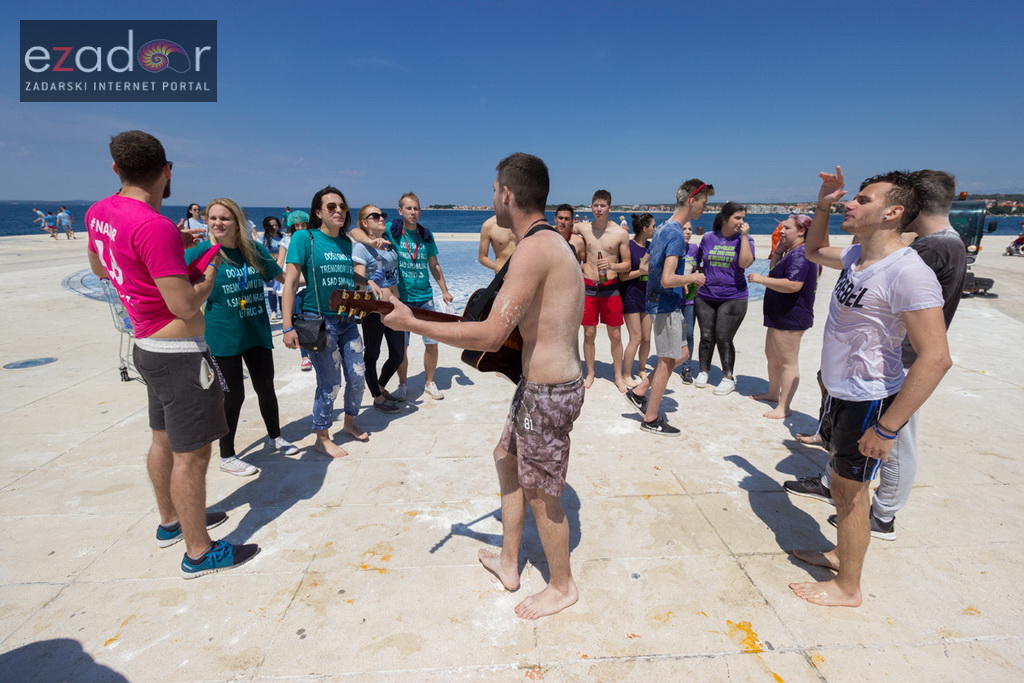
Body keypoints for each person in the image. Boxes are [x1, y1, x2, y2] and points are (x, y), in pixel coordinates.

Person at [382, 152, 585, 620]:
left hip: (549, 391)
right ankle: (510, 561)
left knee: (542, 492)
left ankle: (562, 584)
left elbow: (492, 334)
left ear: (507, 194)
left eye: (494, 189)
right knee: (504, 457)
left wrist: (414, 323)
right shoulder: (548, 241)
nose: (491, 197)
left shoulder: (535, 248)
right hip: (539, 386)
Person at [86, 130, 258, 578]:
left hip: (146, 345)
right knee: (194, 454)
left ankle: (171, 523)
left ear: (115, 169)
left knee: (161, 439)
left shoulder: (100, 212)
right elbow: (185, 305)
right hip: (179, 352)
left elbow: (101, 266)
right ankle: (199, 552)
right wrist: (208, 274)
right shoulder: (153, 225)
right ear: (167, 171)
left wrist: (167, 252)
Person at [787, 167, 951, 608]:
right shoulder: (858, 256)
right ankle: (843, 553)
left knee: (850, 490)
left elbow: (936, 358)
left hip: (869, 399)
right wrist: (821, 203)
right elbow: (815, 248)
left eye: (862, 199)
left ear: (892, 213)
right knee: (843, 486)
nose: (850, 204)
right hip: (841, 392)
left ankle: (849, 587)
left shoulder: (907, 273)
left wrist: (888, 428)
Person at [185, 198, 299, 477]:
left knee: (266, 387)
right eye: (212, 218)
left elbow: (286, 279)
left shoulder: (253, 251)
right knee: (232, 395)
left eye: (224, 218)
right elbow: (172, 283)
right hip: (223, 336)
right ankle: (227, 455)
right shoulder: (201, 253)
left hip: (256, 331)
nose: (217, 223)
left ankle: (275, 437)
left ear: (237, 223)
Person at [282, 187, 369, 458]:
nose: (339, 211)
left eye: (342, 206)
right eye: (331, 207)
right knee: (330, 382)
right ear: (318, 212)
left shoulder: (346, 243)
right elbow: (291, 282)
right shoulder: (303, 238)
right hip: (317, 321)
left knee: (357, 377)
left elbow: (348, 279)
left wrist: (369, 284)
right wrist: (287, 326)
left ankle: (350, 423)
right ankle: (321, 435)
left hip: (347, 321)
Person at [624, 181, 712, 434]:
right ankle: (650, 418)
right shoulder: (674, 233)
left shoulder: (663, 227)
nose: (705, 209)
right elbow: (667, 278)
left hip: (660, 302)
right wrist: (691, 279)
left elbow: (645, 266)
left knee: (681, 354)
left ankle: (639, 392)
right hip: (666, 305)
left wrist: (672, 281)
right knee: (667, 361)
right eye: (704, 203)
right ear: (691, 200)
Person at [748, 214, 817, 419]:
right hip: (779, 314)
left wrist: (762, 280)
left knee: (788, 362)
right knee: (772, 355)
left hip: (791, 316)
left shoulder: (801, 254)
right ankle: (772, 392)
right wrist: (778, 251)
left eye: (786, 228)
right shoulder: (791, 252)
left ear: (801, 231)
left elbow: (793, 285)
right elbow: (776, 271)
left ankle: (784, 406)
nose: (782, 232)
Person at [387, 192, 454, 401]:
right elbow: (360, 231)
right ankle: (403, 384)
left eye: (416, 208)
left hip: (425, 297)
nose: (413, 212)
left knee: (431, 342)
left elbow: (434, 264)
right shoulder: (392, 231)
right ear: (400, 211)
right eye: (408, 208)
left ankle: (430, 382)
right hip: (401, 299)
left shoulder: (426, 235)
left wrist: (444, 290)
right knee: (401, 347)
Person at [693, 202, 755, 395]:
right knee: (705, 336)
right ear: (725, 218)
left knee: (724, 337)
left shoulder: (746, 239)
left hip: (733, 296)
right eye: (737, 218)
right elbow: (699, 261)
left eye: (743, 218)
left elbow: (745, 263)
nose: (741, 222)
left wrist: (743, 237)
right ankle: (704, 370)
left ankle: (728, 377)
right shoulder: (709, 237)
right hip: (706, 295)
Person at [576, 190, 632, 391]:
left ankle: (618, 375)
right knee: (589, 333)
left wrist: (612, 266)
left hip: (610, 289)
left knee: (615, 335)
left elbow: (627, 264)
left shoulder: (619, 233)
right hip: (589, 288)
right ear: (591, 207)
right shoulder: (583, 228)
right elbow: (560, 229)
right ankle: (590, 373)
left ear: (610, 207)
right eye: (595, 205)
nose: (598, 209)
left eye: (602, 205)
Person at [353, 204, 404, 414]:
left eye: (382, 214)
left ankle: (381, 385)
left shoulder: (389, 243)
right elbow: (359, 280)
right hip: (374, 311)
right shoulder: (361, 247)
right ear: (365, 223)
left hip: (395, 308)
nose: (381, 218)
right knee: (372, 354)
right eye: (375, 216)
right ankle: (377, 396)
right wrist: (369, 283)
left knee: (398, 354)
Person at [619, 213, 655, 387]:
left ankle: (641, 369)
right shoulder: (629, 247)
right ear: (644, 228)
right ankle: (626, 374)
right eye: (653, 226)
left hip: (648, 298)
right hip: (631, 297)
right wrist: (642, 271)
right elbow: (623, 277)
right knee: (636, 338)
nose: (655, 229)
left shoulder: (651, 247)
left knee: (647, 338)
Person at [277, 210, 313, 371]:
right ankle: (304, 356)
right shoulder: (286, 241)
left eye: (303, 224)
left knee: (314, 319)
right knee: (299, 321)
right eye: (296, 225)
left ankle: (314, 350)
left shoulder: (312, 239)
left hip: (310, 285)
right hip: (295, 286)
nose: (300, 227)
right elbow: (279, 264)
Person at [678, 221, 699, 384]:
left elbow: (697, 269)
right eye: (684, 229)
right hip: (672, 299)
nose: (687, 232)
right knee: (672, 334)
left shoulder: (694, 249)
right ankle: (669, 362)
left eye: (690, 229)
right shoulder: (671, 249)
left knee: (689, 334)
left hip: (689, 300)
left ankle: (686, 367)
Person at [261, 216, 286, 320]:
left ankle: (283, 311)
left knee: (282, 290)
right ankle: (273, 312)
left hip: (281, 266)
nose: (275, 227)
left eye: (276, 225)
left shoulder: (282, 238)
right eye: (272, 225)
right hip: (269, 266)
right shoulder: (262, 238)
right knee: (271, 291)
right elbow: (261, 252)